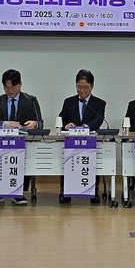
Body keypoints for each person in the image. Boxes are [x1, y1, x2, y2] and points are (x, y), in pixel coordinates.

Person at [0, 69, 44, 205]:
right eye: (7, 87)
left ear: (20, 84)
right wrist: (5, 124)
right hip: (0, 145)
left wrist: (34, 124)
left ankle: (19, 193)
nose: (10, 91)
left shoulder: (31, 100)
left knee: (26, 159)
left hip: (23, 144)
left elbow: (40, 122)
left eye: (13, 87)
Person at [58, 69, 107, 205]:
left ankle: (94, 191)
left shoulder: (99, 103)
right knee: (68, 164)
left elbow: (98, 120)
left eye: (85, 87)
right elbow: (62, 118)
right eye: (79, 87)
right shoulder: (69, 102)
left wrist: (84, 127)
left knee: (92, 164)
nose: (82, 90)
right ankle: (66, 191)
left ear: (92, 86)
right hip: (71, 142)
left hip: (90, 142)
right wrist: (67, 124)